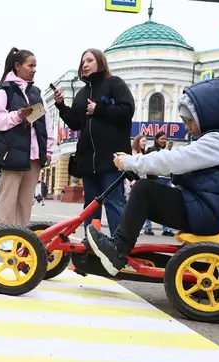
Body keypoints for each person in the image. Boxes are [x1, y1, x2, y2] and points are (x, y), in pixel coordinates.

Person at [84, 78, 219, 276]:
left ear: (210, 114)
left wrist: (132, 162)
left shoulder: (218, 141)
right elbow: (184, 169)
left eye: (189, 121)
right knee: (145, 189)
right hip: (203, 207)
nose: (186, 126)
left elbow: (176, 160)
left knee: (143, 190)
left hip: (206, 212)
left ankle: (118, 249)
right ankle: (119, 246)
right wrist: (150, 170)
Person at [51, 48, 134, 235]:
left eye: (89, 60)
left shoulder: (115, 84)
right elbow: (75, 123)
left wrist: (100, 110)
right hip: (89, 161)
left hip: (112, 160)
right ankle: (91, 244)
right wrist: (61, 106)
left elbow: (127, 111)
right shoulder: (82, 94)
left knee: (114, 202)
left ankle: (119, 246)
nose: (85, 65)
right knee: (91, 206)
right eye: (83, 62)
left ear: (100, 62)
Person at [0, 48, 55, 226]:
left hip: (34, 155)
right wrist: (18, 115)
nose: (34, 69)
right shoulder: (4, 91)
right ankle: (3, 238)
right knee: (8, 199)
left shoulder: (36, 92)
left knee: (26, 202)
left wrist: (48, 149)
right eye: (30, 65)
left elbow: (46, 123)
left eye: (35, 66)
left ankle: (22, 238)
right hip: (12, 153)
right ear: (17, 66)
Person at [143, 131, 174, 236]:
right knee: (150, 203)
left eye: (165, 139)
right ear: (156, 139)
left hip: (166, 179)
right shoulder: (151, 150)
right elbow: (151, 162)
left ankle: (166, 228)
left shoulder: (169, 151)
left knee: (166, 205)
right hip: (155, 179)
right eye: (162, 139)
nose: (164, 141)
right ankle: (148, 227)